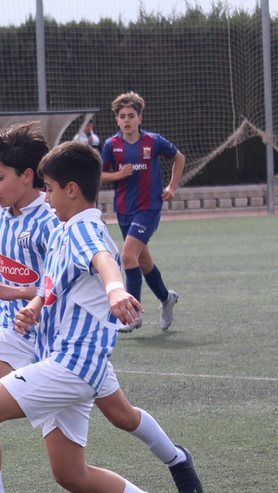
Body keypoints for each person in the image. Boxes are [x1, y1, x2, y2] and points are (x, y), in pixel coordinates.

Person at [0, 123, 204, 493]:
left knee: (122, 417)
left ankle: (176, 459)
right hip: (32, 334)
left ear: (33, 179)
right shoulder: (2, 212)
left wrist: (109, 291)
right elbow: (33, 271)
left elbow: (94, 260)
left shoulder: (58, 220)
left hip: (67, 343)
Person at [100, 92, 184, 332]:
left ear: (140, 118)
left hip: (149, 208)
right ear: (117, 120)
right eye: (122, 116)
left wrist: (172, 186)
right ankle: (167, 299)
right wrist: (117, 175)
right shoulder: (111, 145)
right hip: (124, 210)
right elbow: (98, 174)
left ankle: (131, 315)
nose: (126, 120)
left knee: (127, 257)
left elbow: (179, 158)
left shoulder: (153, 141)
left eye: (131, 116)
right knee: (143, 262)